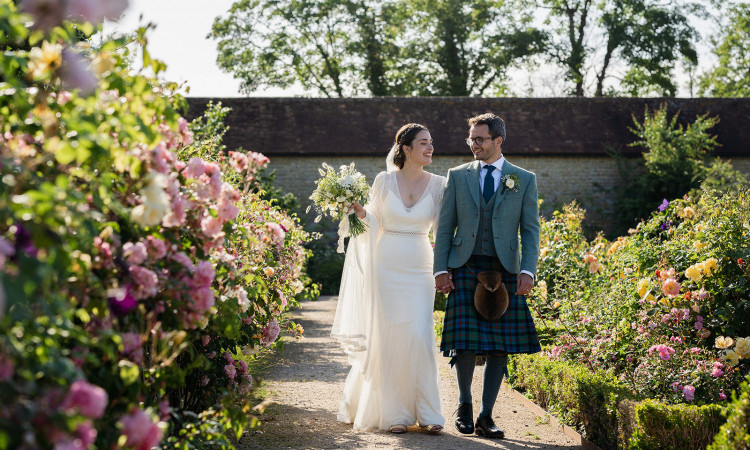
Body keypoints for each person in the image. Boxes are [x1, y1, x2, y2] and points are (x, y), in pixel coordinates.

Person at [331, 123, 446, 434]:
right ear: (405, 148)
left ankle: (429, 411)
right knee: (390, 335)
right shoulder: (383, 181)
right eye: (423, 143)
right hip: (387, 265)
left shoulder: (440, 185)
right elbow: (375, 222)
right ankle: (394, 413)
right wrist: (359, 212)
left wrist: (444, 269)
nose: (430, 147)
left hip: (420, 266)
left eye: (431, 142)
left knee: (419, 335)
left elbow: (442, 233)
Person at [433, 113, 541, 439]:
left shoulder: (523, 178)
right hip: (464, 265)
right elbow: (445, 226)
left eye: (480, 139)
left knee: (499, 347)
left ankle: (486, 415)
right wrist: (440, 269)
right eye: (471, 139)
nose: (473, 144)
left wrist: (528, 270)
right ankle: (464, 407)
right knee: (464, 344)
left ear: (498, 141)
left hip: (506, 268)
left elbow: (531, 231)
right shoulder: (457, 175)